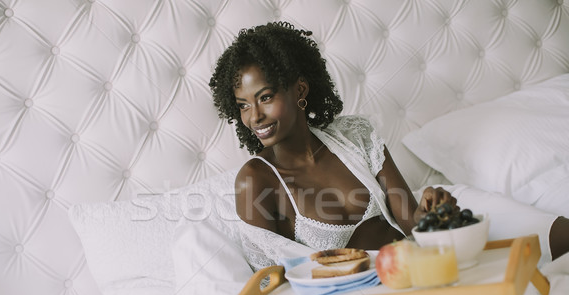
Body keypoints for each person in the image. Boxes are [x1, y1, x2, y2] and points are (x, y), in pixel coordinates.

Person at [209, 21, 569, 259]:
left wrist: (433, 208)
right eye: (243, 105)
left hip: (423, 266)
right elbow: (273, 279)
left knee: (553, 236)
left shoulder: (355, 137)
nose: (253, 116)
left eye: (265, 97)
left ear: (300, 88)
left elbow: (411, 220)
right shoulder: (257, 180)